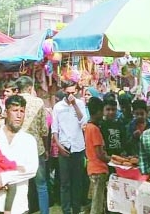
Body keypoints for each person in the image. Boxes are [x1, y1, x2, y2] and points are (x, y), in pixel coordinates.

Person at [0, 95, 38, 214]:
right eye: (15, 110)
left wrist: (3, 178)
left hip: (18, 207)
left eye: (22, 111)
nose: (19, 115)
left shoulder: (28, 140)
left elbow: (32, 169)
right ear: (6, 112)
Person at [51, 81, 87, 214]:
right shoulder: (58, 107)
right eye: (68, 92)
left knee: (77, 182)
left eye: (73, 92)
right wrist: (58, 146)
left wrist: (75, 105)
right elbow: (54, 129)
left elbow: (83, 122)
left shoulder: (81, 104)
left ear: (77, 91)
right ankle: (66, 210)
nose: (70, 95)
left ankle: (76, 210)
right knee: (65, 183)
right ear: (64, 91)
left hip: (78, 148)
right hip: (64, 147)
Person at [15, 75, 49, 214]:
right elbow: (44, 129)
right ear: (30, 88)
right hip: (37, 148)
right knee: (41, 185)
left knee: (20, 184)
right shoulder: (38, 102)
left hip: (18, 147)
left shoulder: (14, 102)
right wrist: (46, 149)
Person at [85, 97, 110, 214]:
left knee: (97, 201)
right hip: (98, 170)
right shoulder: (94, 129)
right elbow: (100, 154)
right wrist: (112, 159)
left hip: (93, 169)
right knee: (97, 204)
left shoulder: (89, 127)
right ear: (99, 111)